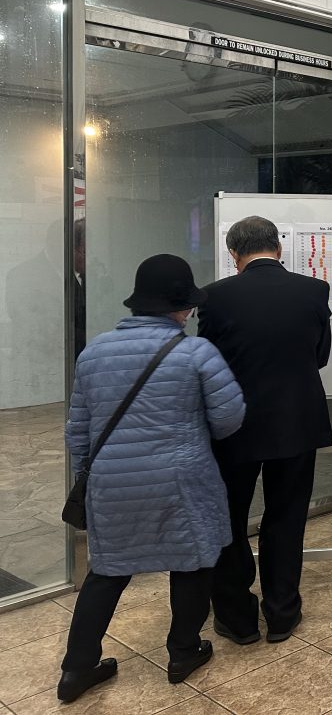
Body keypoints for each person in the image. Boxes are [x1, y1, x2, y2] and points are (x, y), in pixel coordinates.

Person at [60, 254, 245, 703]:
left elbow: (77, 431)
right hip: (181, 480)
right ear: (183, 307)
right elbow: (229, 419)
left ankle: (76, 670)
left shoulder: (94, 352)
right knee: (192, 562)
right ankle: (183, 652)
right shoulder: (196, 353)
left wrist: (93, 472)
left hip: (113, 482)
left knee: (107, 572)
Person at [199, 216, 332, 645]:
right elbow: (320, 356)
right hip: (297, 420)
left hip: (233, 426)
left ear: (233, 254)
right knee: (287, 518)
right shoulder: (314, 290)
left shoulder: (214, 296)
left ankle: (237, 619)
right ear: (278, 247)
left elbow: (207, 364)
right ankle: (281, 614)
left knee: (229, 519)